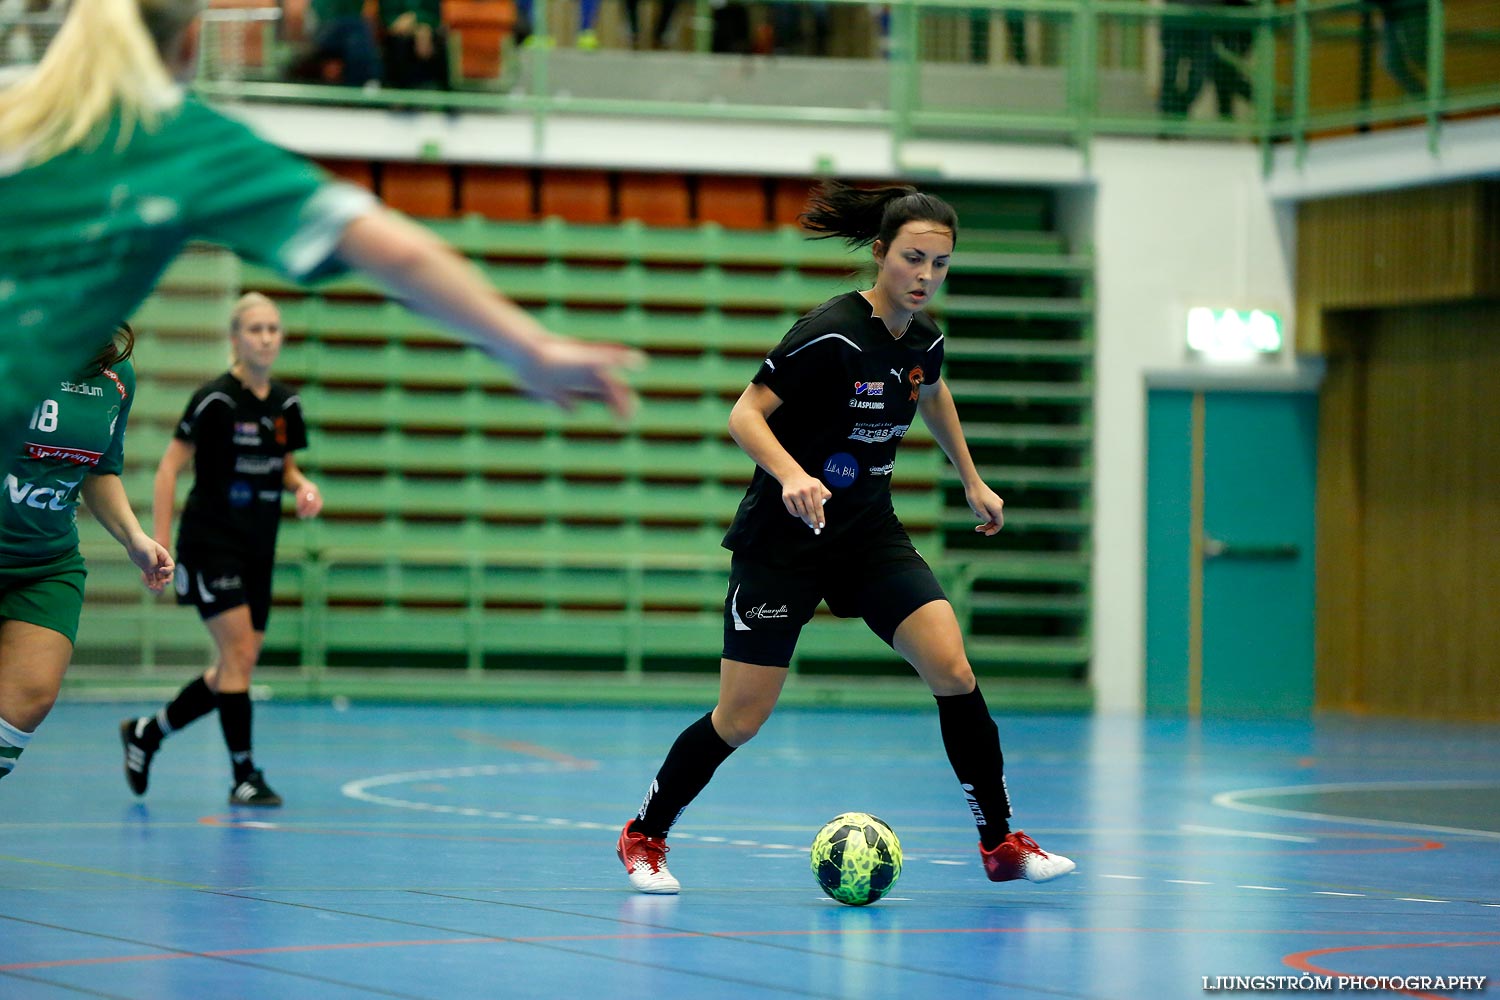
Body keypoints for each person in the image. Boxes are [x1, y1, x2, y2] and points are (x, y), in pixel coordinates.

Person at [615, 182, 1076, 894]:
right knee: (741, 718)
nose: (925, 277)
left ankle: (1001, 844)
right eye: (913, 259)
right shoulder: (829, 330)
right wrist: (792, 475)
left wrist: (971, 479)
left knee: (953, 671)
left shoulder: (924, 340)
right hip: (784, 542)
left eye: (940, 264)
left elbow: (930, 389)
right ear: (880, 254)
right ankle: (644, 834)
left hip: (867, 536)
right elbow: (745, 415)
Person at [0, 0, 640, 492]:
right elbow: (396, 251)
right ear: (192, 42)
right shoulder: (176, 137)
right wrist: (528, 347)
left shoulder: (15, 104)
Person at [118, 294, 316, 806]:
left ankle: (147, 733)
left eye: (273, 328)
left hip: (258, 549)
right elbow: (168, 467)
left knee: (237, 664)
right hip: (210, 545)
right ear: (235, 338)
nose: (266, 337)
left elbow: (285, 465)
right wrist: (158, 544)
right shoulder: (215, 401)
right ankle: (243, 775)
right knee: (238, 655)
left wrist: (302, 486)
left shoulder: (287, 405)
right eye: (255, 329)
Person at [0, 326, 175, 784]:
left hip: (45, 567)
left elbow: (99, 471)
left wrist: (134, 537)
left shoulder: (117, 375)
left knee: (27, 702)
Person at [379, 0, 450, 90]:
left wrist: (420, 23)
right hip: (398, 31)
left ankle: (437, 90)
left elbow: (435, 16)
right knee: (400, 42)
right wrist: (405, 24)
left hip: (427, 30)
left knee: (437, 40)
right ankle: (399, 91)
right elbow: (386, 16)